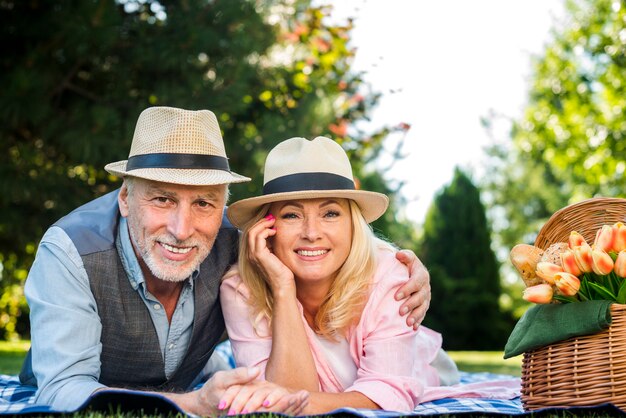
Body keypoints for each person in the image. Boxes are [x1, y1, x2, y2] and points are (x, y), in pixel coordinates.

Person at [19, 107, 431, 415]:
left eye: (204, 203)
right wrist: (193, 405)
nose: (182, 229)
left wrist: (409, 268)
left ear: (224, 208)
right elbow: (61, 391)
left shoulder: (237, 246)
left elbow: (326, 248)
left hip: (197, 375)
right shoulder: (71, 251)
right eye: (162, 198)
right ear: (126, 198)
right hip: (109, 383)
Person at [221, 136, 459, 415]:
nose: (311, 233)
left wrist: (282, 399)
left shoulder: (389, 276)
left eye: (330, 213)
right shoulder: (240, 288)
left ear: (352, 225)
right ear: (267, 228)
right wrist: (283, 288)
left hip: (423, 368)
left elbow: (387, 399)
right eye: (291, 216)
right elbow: (285, 403)